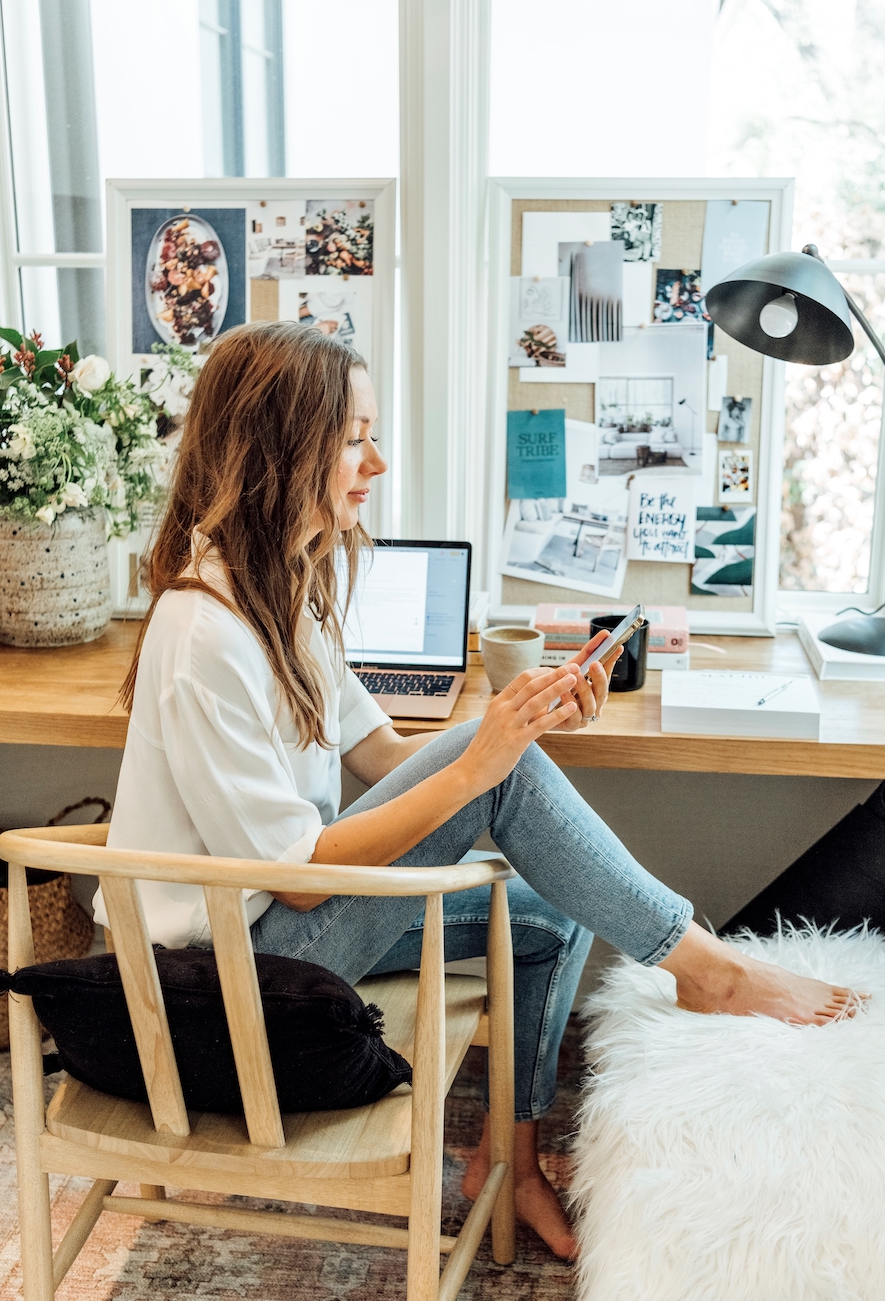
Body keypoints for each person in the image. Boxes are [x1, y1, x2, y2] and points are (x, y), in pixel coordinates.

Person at [101, 322, 863, 1261]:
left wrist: (516, 729)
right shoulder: (202, 631)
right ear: (276, 447)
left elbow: (380, 755)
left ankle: (511, 1162)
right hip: (213, 989)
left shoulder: (282, 593)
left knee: (551, 912)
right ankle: (712, 970)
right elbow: (296, 878)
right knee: (505, 781)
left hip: (269, 942)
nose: (375, 462)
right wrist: (484, 765)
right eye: (353, 437)